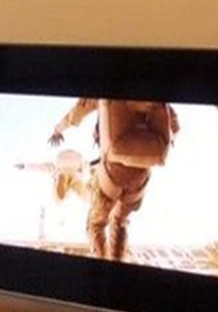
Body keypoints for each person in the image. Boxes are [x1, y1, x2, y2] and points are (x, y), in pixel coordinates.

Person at [49, 98, 179, 259]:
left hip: (112, 172)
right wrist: (169, 137)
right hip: (140, 177)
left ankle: (102, 265)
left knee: (96, 225)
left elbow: (79, 109)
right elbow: (173, 124)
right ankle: (117, 265)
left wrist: (58, 129)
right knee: (119, 222)